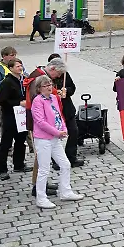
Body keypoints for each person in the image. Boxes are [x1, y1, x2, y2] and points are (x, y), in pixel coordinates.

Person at [30, 75, 84, 209]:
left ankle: (65, 191)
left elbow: (58, 115)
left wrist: (63, 129)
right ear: (39, 89)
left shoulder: (54, 98)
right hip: (43, 139)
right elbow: (40, 122)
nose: (49, 87)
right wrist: (56, 132)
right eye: (45, 85)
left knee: (65, 164)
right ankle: (41, 197)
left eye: (50, 84)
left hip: (54, 138)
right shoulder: (37, 101)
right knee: (44, 169)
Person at [0, 58, 30, 180]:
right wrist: (18, 103)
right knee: (6, 143)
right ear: (11, 68)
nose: (20, 68)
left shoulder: (23, 80)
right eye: (17, 66)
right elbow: (2, 101)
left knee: (21, 141)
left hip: (21, 116)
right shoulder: (7, 82)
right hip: (10, 116)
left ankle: (19, 164)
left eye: (21, 65)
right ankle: (2, 169)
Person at [46, 53, 82, 168]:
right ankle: (56, 160)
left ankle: (71, 156)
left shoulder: (65, 75)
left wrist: (66, 91)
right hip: (54, 111)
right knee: (54, 136)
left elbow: (73, 87)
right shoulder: (46, 77)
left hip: (67, 108)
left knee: (74, 131)